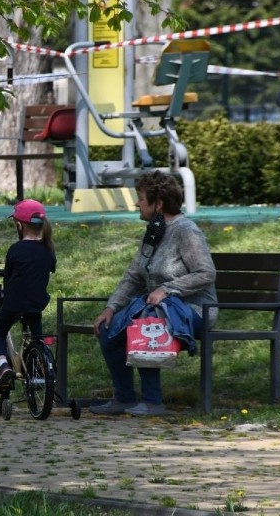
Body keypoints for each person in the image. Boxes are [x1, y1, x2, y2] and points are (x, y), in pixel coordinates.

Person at [91, 171, 217, 416]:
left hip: (194, 310)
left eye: (140, 197)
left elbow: (206, 273)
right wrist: (111, 307)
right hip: (159, 308)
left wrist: (167, 289)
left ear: (158, 203)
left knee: (148, 323)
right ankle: (124, 398)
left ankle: (152, 402)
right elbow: (134, 275)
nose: (137, 203)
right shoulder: (154, 231)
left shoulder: (186, 231)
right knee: (108, 328)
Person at [0, 199, 57, 392]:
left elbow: (9, 277)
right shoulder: (48, 250)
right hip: (37, 302)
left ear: (19, 225)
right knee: (37, 337)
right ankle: (39, 366)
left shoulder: (15, 249)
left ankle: (3, 366)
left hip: (14, 302)